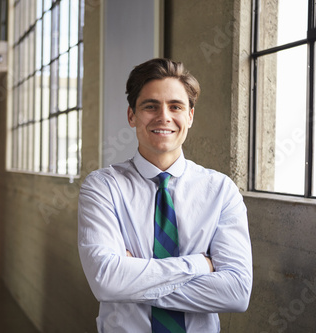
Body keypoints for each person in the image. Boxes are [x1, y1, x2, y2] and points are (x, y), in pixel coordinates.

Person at [78, 58, 252, 332]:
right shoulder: (103, 187)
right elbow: (106, 281)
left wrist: (134, 274)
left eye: (176, 106)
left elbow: (236, 292)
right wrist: (199, 265)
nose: (164, 117)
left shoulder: (221, 190)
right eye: (150, 106)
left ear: (190, 116)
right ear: (131, 115)